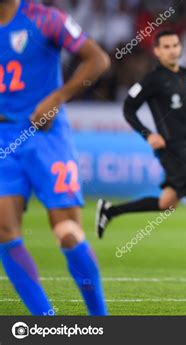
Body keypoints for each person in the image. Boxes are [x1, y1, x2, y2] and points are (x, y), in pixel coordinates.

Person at [0, 0, 110, 315]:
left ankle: (99, 320)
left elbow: (98, 59)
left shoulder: (45, 19)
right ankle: (46, 321)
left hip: (46, 135)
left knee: (67, 233)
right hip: (3, 139)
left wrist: (57, 97)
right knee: (4, 233)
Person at [96, 30, 186, 274]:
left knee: (166, 202)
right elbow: (128, 108)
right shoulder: (153, 80)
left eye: (175, 45)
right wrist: (149, 135)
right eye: (166, 46)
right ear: (157, 51)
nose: (172, 50)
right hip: (172, 148)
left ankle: (110, 210)